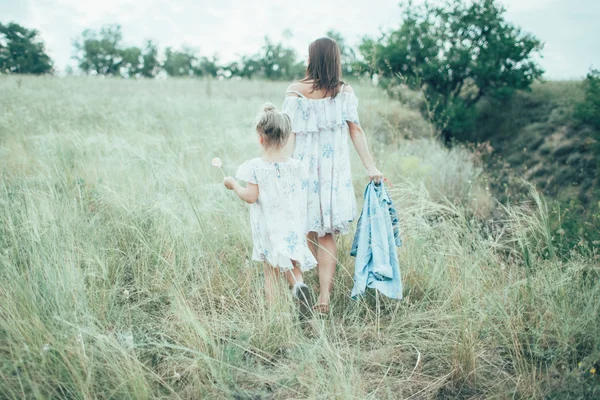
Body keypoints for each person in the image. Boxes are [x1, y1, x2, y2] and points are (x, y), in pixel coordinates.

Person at [282, 37, 383, 314]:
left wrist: (284, 168)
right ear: (336, 59)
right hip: (332, 173)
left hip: (302, 169)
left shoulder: (295, 92)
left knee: (304, 231)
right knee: (326, 236)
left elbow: (288, 134)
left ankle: (305, 285)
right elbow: (356, 131)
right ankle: (323, 297)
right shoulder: (344, 92)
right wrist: (370, 167)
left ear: (311, 58)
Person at [223, 103, 317, 316]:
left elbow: (250, 197)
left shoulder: (256, 167)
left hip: (269, 228)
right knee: (293, 264)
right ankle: (298, 287)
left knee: (271, 271)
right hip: (292, 225)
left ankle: (274, 313)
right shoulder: (295, 166)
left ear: (260, 138)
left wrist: (234, 185)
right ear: (285, 138)